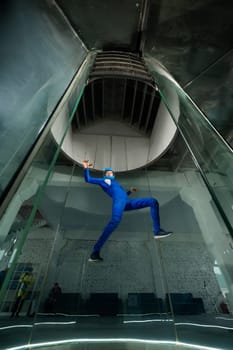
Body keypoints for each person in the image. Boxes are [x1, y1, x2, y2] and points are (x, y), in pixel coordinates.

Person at [83, 160, 172, 262]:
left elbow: (123, 195)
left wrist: (129, 191)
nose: (110, 173)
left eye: (111, 173)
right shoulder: (103, 181)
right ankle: (95, 252)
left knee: (152, 201)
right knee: (115, 222)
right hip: (118, 204)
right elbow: (88, 179)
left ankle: (157, 231)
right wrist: (86, 168)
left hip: (126, 203)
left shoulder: (116, 183)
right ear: (105, 175)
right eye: (108, 173)